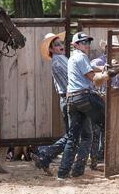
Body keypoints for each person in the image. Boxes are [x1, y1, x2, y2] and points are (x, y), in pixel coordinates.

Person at [31, 32, 92, 176]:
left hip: (68, 99)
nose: (61, 46)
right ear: (51, 49)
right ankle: (47, 155)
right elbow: (76, 77)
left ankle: (45, 155)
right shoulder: (59, 61)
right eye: (56, 45)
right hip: (72, 98)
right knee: (77, 136)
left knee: (73, 135)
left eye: (61, 43)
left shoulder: (61, 59)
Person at [57, 32, 105, 180]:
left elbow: (91, 69)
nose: (87, 45)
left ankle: (63, 173)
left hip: (72, 99)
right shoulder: (82, 57)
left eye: (88, 42)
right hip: (84, 97)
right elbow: (94, 78)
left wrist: (104, 68)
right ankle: (81, 169)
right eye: (84, 42)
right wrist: (110, 74)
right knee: (105, 122)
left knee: (74, 138)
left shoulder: (73, 58)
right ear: (76, 45)